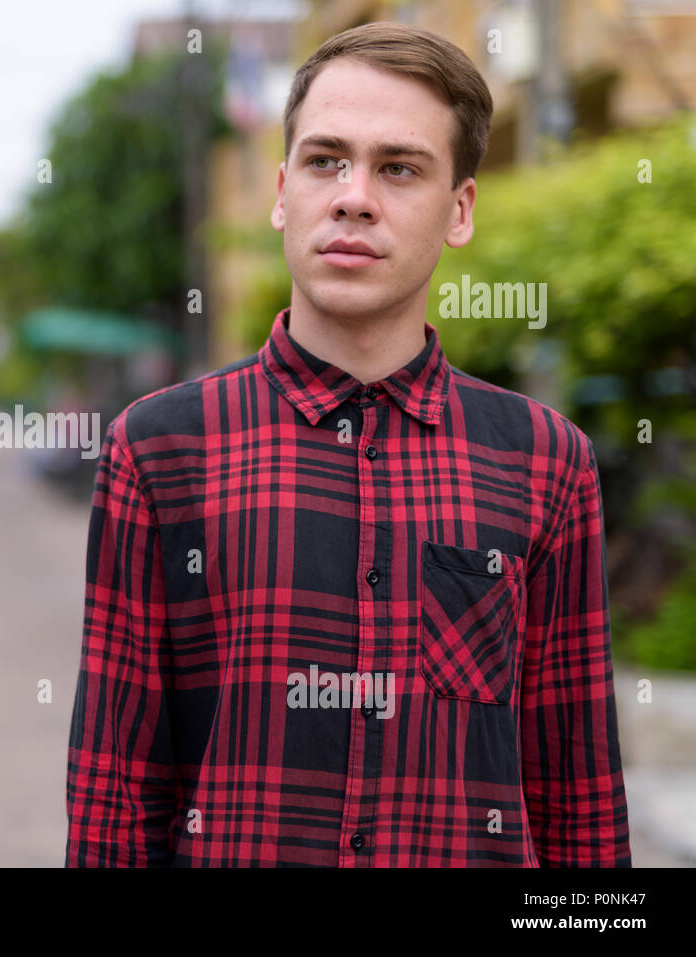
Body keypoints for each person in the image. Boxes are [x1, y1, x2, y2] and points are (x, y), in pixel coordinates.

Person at [65, 21, 630, 867]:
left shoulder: (545, 462)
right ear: (283, 189)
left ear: (460, 209)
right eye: (328, 160)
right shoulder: (160, 451)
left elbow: (575, 795)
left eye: (399, 168)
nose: (354, 195)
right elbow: (116, 793)